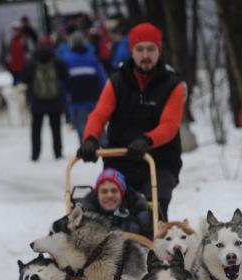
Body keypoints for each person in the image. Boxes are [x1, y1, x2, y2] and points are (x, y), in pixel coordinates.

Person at [77, 22, 184, 221]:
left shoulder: (173, 85)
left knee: (153, 208)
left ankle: (155, 245)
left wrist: (147, 140)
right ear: (131, 51)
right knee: (112, 205)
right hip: (121, 158)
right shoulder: (117, 82)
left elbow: (170, 125)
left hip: (159, 160)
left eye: (151, 49)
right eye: (140, 49)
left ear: (159, 51)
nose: (145, 55)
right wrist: (90, 138)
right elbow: (99, 115)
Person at [21, 39, 69, 161]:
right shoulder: (57, 61)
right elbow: (65, 75)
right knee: (56, 128)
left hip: (37, 102)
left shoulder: (31, 63)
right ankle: (58, 153)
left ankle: (35, 154)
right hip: (55, 101)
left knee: (36, 129)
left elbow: (24, 79)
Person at [61, 31, 107, 142]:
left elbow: (64, 83)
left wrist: (66, 99)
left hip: (76, 100)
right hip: (94, 99)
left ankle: (86, 151)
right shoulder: (92, 58)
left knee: (82, 128)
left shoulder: (66, 59)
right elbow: (101, 79)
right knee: (98, 127)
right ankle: (106, 151)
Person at [82, 168, 153, 237]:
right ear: (97, 195)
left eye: (114, 191)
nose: (109, 195)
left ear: (122, 194)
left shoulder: (141, 215)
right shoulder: (84, 219)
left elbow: (150, 243)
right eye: (104, 191)